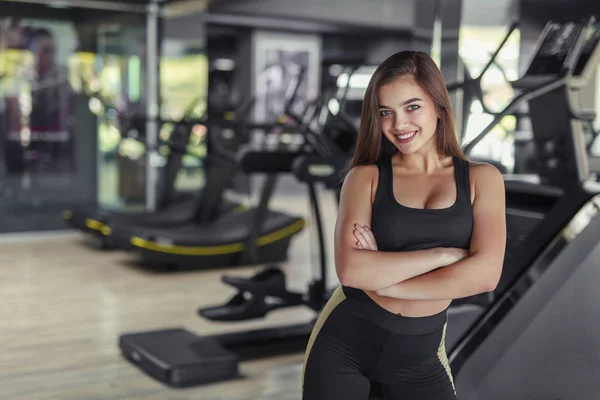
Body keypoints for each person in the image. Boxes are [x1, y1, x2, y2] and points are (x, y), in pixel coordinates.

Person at [301, 51, 506, 399]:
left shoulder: (481, 179)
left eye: (412, 107)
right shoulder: (364, 178)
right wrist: (443, 256)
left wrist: (386, 283)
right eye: (386, 112)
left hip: (420, 359)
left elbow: (484, 276)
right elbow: (352, 272)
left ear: (438, 106)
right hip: (342, 347)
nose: (399, 124)